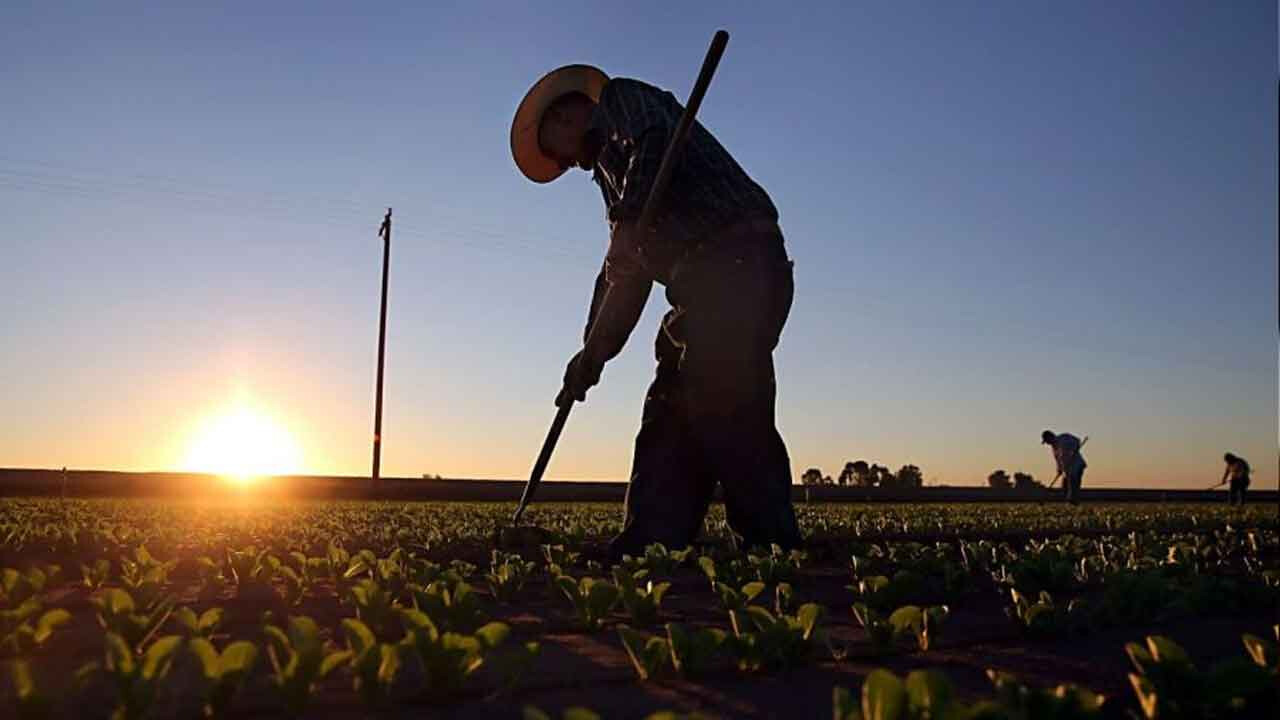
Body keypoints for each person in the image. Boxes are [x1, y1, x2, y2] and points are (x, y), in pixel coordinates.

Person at [510, 64, 802, 561]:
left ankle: (771, 547)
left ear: (564, 117)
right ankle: (652, 542)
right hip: (698, 286)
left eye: (558, 153)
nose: (568, 165)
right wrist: (592, 354)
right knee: (670, 405)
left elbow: (656, 140)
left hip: (742, 259)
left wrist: (626, 226)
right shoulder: (611, 180)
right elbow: (625, 275)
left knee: (724, 392)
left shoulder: (625, 103)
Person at [1042, 430, 1086, 505]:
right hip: (1067, 469)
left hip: (1077, 465)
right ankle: (1070, 502)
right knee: (1065, 486)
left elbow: (1077, 441)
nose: (1047, 443)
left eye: (1047, 441)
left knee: (1073, 484)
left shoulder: (1064, 438)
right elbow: (1058, 460)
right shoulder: (1054, 448)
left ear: (1050, 437)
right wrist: (1059, 470)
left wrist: (1073, 451)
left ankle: (1074, 502)